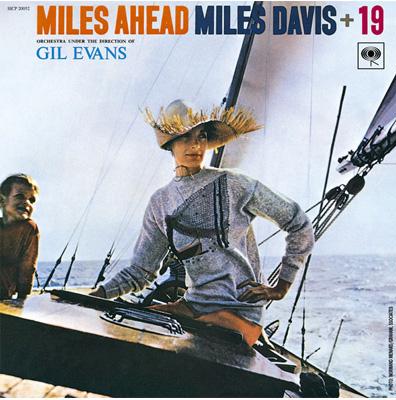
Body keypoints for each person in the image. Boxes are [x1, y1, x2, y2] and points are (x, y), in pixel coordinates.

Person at [91, 100, 314, 346]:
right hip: (193, 307)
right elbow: (141, 271)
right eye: (185, 137)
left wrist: (280, 288)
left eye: (202, 136)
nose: (196, 145)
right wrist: (97, 295)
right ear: (170, 143)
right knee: (130, 327)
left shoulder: (234, 183)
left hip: (239, 313)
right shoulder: (160, 202)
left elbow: (299, 223)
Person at [0, 174, 40, 300]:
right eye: (20, 196)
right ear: (2, 201)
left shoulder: (29, 229)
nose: (27, 203)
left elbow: (28, 268)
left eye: (31, 200)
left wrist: (22, 300)